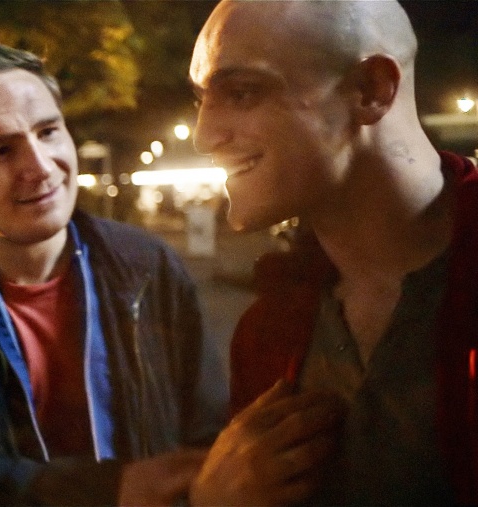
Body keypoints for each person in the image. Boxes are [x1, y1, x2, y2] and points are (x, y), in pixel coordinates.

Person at [0, 38, 228, 506]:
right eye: (0, 151)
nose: (39, 167)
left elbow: (209, 432)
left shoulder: (145, 265)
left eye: (48, 132)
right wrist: (112, 490)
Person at [187, 0, 478, 505]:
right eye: (201, 100)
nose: (203, 136)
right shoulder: (268, 331)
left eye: (242, 92)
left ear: (371, 90)